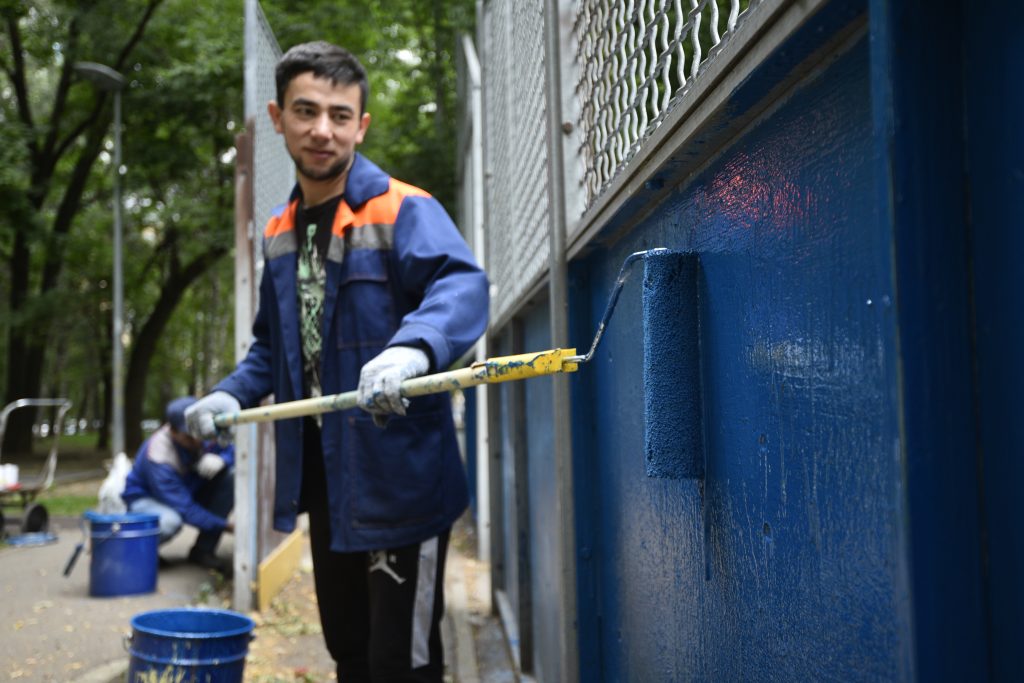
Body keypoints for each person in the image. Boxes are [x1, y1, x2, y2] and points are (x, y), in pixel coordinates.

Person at [184, 41, 488, 681]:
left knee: (401, 662)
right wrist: (229, 396)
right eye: (306, 110)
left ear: (362, 124)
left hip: (401, 480)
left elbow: (461, 287)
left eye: (340, 115)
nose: (323, 129)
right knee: (348, 650)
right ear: (277, 117)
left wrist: (412, 346)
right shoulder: (277, 233)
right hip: (327, 485)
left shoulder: (403, 208)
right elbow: (272, 348)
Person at [121, 396, 234, 575]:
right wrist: (226, 526)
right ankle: (131, 550)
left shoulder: (202, 434)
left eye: (198, 434)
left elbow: (233, 449)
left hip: (188, 492)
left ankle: (203, 551)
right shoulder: (158, 456)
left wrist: (224, 459)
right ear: (172, 431)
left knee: (230, 477)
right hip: (149, 499)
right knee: (169, 522)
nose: (197, 442)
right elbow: (186, 509)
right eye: (189, 437)